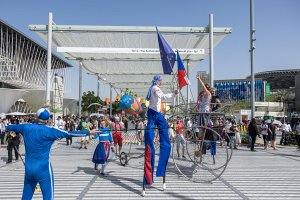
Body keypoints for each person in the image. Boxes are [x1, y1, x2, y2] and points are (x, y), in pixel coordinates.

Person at [6, 108, 99, 200]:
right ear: (47, 119)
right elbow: (68, 133)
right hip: (43, 169)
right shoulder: (50, 130)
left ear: (36, 117)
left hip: (29, 169)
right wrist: (88, 132)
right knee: (48, 197)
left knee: (26, 197)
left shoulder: (25, 127)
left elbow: (9, 127)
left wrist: (8, 129)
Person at [142, 75, 178, 196]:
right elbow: (162, 96)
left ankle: (161, 172)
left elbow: (160, 98)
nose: (161, 82)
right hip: (152, 115)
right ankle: (148, 178)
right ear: (157, 81)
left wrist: (174, 94)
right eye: (161, 81)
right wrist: (174, 93)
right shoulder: (155, 88)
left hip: (157, 115)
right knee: (149, 148)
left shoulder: (155, 88)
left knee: (166, 144)